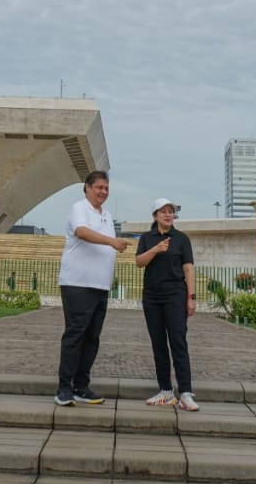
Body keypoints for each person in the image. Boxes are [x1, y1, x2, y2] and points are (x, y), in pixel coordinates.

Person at [55, 170, 128, 406]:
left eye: (106, 188)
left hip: (99, 286)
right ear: (87, 187)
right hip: (77, 283)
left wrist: (109, 276)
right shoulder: (80, 208)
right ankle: (64, 388)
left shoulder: (106, 215)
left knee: (92, 338)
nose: (103, 192)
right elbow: (82, 232)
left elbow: (107, 252)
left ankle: (81, 385)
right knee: (75, 334)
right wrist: (112, 242)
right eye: (99, 187)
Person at [135, 197, 198, 411]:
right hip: (152, 297)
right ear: (155, 216)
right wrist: (156, 249)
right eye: (163, 211)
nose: (168, 215)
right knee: (158, 344)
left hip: (175, 296)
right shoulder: (147, 238)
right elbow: (138, 262)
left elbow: (188, 269)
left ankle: (186, 392)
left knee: (178, 342)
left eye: (171, 211)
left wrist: (191, 298)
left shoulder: (181, 239)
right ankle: (165, 391)